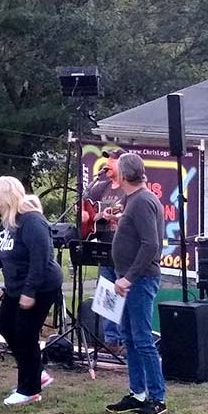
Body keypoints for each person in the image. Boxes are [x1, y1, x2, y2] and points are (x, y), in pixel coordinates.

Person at [0, 176, 63, 407]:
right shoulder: (8, 221)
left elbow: (41, 260)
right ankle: (37, 373)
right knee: (6, 325)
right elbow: (7, 248)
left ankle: (29, 390)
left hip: (41, 285)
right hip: (17, 285)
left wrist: (30, 292)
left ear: (4, 198)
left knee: (25, 333)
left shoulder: (32, 222)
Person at [103, 152, 167, 414]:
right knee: (129, 336)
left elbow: (150, 244)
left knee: (142, 339)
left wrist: (128, 278)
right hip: (127, 278)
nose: (111, 175)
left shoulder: (142, 201)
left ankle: (157, 397)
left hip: (139, 280)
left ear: (126, 175)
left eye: (115, 171)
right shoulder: (132, 201)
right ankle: (137, 393)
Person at [83, 149, 126, 353]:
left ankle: (126, 340)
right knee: (107, 293)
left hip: (124, 250)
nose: (107, 163)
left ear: (123, 164)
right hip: (104, 247)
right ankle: (111, 340)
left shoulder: (128, 189)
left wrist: (115, 215)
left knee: (122, 293)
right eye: (107, 158)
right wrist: (92, 216)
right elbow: (85, 209)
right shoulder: (102, 187)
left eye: (112, 160)